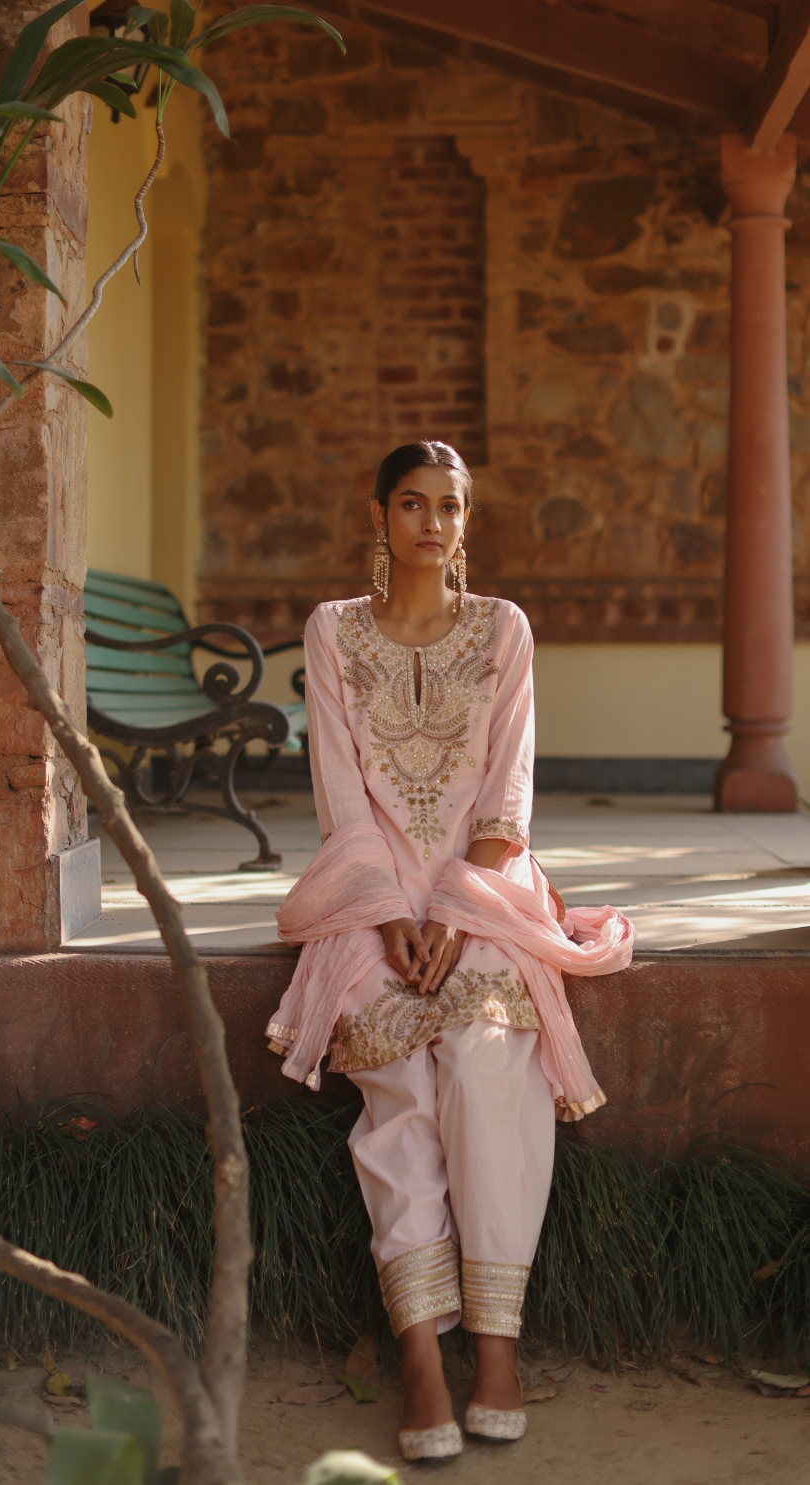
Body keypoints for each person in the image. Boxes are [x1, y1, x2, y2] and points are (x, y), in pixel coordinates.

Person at [266, 440, 634, 1461]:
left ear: (467, 523)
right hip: (368, 894)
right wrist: (390, 915)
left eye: (452, 507)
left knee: (482, 1056)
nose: (434, 523)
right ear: (378, 514)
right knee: (398, 1074)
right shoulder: (333, 631)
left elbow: (506, 788)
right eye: (415, 504)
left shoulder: (503, 630)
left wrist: (458, 907)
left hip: (484, 891)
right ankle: (421, 1352)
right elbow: (343, 793)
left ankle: (497, 1341)